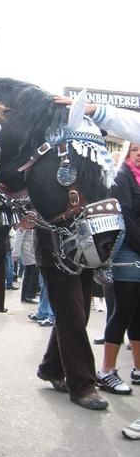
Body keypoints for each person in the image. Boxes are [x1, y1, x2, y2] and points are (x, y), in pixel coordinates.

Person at [56, 97, 140, 436]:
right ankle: (97, 373)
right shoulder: (120, 176)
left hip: (108, 248)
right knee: (104, 312)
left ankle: (65, 369)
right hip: (114, 250)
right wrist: (95, 111)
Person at [94, 141, 140, 395]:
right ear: (128, 153)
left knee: (138, 314)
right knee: (122, 311)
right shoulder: (122, 177)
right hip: (127, 251)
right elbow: (126, 217)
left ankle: (138, 368)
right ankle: (106, 371)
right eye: (136, 150)